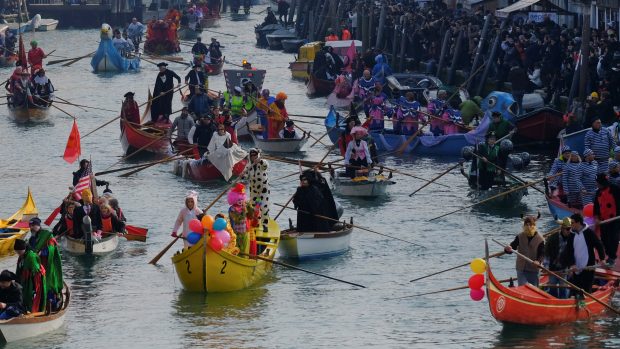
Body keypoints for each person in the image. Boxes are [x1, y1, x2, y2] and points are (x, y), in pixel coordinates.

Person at [561, 213, 606, 296]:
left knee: (586, 290)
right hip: (576, 267)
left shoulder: (589, 233)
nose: (571, 225)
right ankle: (578, 305)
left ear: (578, 223)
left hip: (588, 267)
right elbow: (569, 251)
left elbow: (599, 245)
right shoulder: (571, 235)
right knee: (577, 289)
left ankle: (583, 305)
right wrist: (572, 264)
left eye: (572, 223)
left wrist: (602, 259)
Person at [504, 215, 545, 286]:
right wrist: (507, 249)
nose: (528, 227)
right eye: (526, 225)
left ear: (534, 226)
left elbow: (542, 254)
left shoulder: (540, 239)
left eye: (530, 225)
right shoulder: (519, 236)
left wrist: (538, 261)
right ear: (524, 226)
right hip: (521, 268)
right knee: (523, 286)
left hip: (533, 269)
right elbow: (512, 248)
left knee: (534, 289)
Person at [593, 173, 620, 266]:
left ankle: (612, 258)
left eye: (597, 182)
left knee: (613, 239)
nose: (596, 184)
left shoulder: (615, 189)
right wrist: (596, 217)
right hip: (603, 220)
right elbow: (596, 206)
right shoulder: (598, 192)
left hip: (615, 220)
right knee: (604, 239)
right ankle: (609, 255)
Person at [13, 239, 47, 313]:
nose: (18, 253)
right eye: (17, 252)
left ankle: (33, 311)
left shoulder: (31, 256)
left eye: (19, 251)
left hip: (33, 281)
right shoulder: (21, 256)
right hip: (25, 280)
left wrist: (33, 286)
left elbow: (37, 271)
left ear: (24, 249)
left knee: (31, 297)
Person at [544, 218, 574, 298]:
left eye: (571, 229)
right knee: (552, 288)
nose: (569, 231)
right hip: (552, 268)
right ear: (562, 228)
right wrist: (546, 267)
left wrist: (571, 267)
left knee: (563, 288)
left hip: (564, 269)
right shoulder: (552, 238)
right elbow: (546, 253)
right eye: (568, 229)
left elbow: (573, 255)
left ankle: (563, 302)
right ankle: (553, 302)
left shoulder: (573, 238)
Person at [243, 149, 270, 232]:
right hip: (254, 191)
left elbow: (266, 165)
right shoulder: (248, 165)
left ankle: (265, 225)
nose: (253, 157)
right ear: (250, 157)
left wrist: (260, 161)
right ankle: (256, 222)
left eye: (255, 155)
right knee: (255, 207)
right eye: (252, 156)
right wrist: (242, 175)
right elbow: (245, 175)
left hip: (263, 189)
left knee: (264, 207)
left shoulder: (262, 162)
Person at [227, 183, 254, 255]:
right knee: (236, 251)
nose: (240, 201)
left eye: (242, 198)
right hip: (235, 234)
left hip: (245, 232)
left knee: (244, 251)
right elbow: (237, 220)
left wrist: (250, 208)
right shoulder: (232, 209)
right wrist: (244, 211)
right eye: (239, 199)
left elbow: (251, 216)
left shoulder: (244, 206)